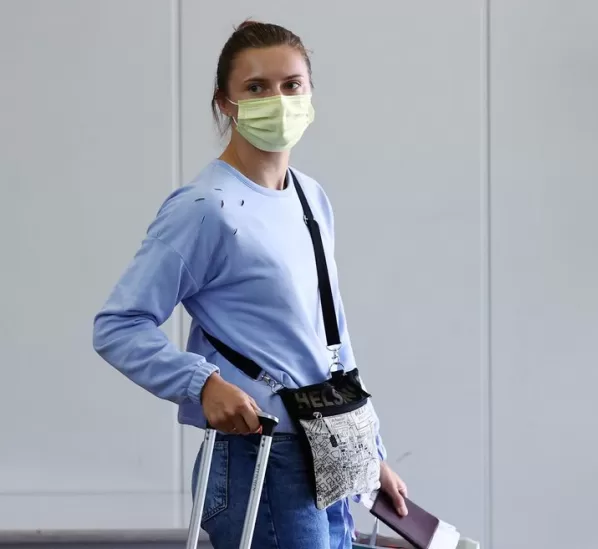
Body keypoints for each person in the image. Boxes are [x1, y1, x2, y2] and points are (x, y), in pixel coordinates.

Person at [92, 20, 407, 549]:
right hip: (259, 460)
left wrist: (369, 454)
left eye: (291, 85)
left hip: (325, 455)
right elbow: (117, 326)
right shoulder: (204, 208)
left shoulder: (309, 198)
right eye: (256, 87)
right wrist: (202, 384)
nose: (278, 100)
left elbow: (328, 338)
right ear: (225, 103)